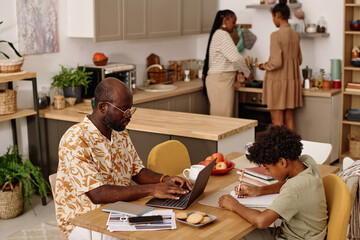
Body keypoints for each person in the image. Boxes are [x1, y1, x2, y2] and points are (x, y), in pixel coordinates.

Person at [54, 77, 192, 240]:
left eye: (130, 109)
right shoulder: (75, 139)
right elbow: (97, 194)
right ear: (103, 107)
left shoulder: (120, 133)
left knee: (171, 224)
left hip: (119, 211)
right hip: (84, 222)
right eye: (124, 109)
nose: (129, 116)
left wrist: (164, 179)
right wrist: (151, 188)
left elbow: (137, 171)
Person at [219, 125, 328, 240]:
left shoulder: (294, 188)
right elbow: (288, 184)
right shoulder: (307, 162)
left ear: (282, 162)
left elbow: (262, 221)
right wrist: (258, 190)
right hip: (301, 234)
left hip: (292, 237)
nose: (268, 172)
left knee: (232, 234)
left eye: (268, 168)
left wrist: (235, 205)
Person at [255, 0, 303, 131]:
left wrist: (263, 65)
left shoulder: (276, 35)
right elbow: (299, 60)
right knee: (289, 119)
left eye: (273, 17)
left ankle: (280, 151)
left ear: (277, 15)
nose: (273, 21)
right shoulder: (295, 34)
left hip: (277, 83)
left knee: (277, 122)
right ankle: (292, 150)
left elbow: (276, 62)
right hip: (291, 83)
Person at [203, 9, 250, 117]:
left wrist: (239, 72)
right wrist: (247, 73)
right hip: (220, 82)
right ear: (224, 20)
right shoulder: (222, 35)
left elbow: (230, 59)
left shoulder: (219, 34)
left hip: (220, 81)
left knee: (223, 120)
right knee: (222, 121)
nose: (235, 26)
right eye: (233, 22)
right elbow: (236, 58)